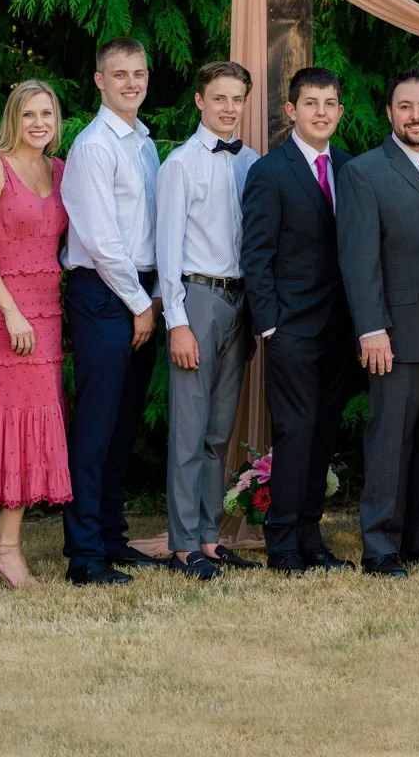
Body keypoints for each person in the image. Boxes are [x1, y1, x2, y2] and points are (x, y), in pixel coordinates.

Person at [337, 68, 419, 579]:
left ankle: (418, 540)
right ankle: (380, 547)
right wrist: (372, 328)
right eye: (406, 107)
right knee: (389, 444)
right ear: (390, 113)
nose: (417, 116)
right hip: (396, 335)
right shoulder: (365, 172)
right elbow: (358, 259)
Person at [241, 67, 356, 575]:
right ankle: (282, 542)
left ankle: (312, 538)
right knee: (294, 433)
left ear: (340, 111)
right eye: (312, 103)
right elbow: (256, 255)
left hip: (339, 330)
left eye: (330, 103)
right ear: (291, 111)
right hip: (290, 330)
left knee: (323, 434)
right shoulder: (270, 172)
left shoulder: (351, 170)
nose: (322, 112)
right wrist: (269, 326)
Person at [60, 37, 163, 587]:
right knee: (96, 425)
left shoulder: (143, 143)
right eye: (119, 74)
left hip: (140, 292)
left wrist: (155, 294)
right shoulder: (95, 146)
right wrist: (140, 303)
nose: (131, 82)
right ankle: (83, 553)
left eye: (138, 73)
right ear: (99, 80)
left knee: (123, 424)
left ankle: (111, 535)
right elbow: (101, 240)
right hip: (104, 294)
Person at [0, 79, 72, 588]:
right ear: (13, 117)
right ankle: (5, 547)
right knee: (16, 424)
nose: (38, 123)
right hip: (8, 314)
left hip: (48, 313)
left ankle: (2, 546)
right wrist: (10, 313)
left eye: (46, 114)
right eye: (29, 114)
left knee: (39, 425)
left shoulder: (58, 169)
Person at [155, 61, 261, 580]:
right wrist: (176, 321)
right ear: (200, 101)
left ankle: (209, 537)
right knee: (189, 430)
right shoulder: (180, 164)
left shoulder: (251, 163)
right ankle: (181, 545)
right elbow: (167, 250)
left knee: (220, 430)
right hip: (197, 300)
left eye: (236, 99)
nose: (227, 108)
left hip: (240, 303)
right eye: (218, 98)